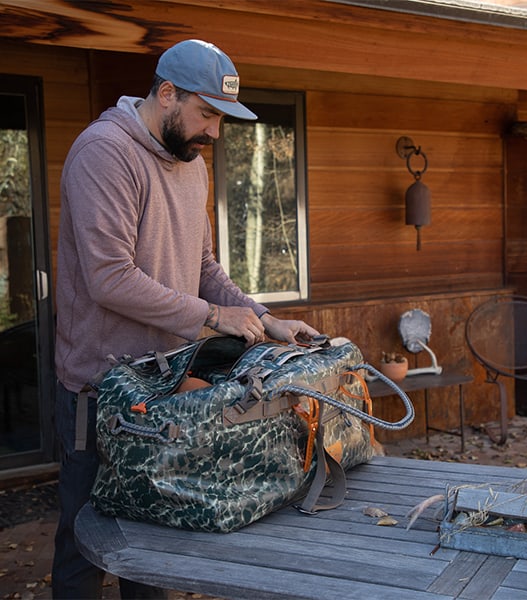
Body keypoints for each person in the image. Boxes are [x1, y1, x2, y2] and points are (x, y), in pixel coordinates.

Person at [52, 39, 319, 599]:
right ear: (166, 94)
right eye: (207, 114)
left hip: (164, 388)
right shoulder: (104, 152)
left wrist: (265, 319)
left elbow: (202, 268)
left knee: (153, 546)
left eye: (221, 120)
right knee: (85, 545)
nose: (214, 132)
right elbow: (110, 278)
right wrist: (212, 316)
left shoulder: (189, 164)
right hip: (99, 393)